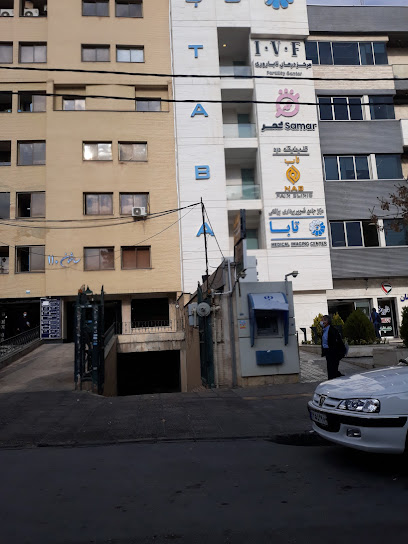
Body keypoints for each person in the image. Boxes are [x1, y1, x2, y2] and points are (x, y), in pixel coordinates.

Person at [320, 315, 346, 380]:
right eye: (322, 320)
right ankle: (334, 377)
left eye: (324, 320)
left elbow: (336, 342)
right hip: (327, 352)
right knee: (330, 368)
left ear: (327, 322)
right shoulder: (324, 330)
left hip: (333, 352)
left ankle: (334, 379)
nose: (322, 321)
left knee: (332, 368)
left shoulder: (332, 330)